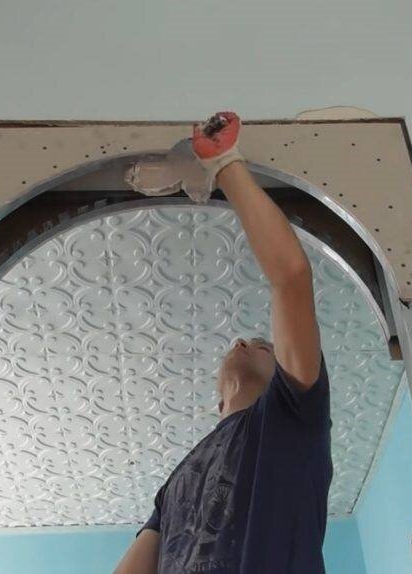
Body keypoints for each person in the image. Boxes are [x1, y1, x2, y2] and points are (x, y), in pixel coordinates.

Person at [114, 112, 331, 574]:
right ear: (216, 399)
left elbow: (291, 277)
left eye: (264, 345)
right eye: (250, 340)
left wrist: (224, 163)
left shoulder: (293, 415)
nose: (244, 340)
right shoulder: (175, 483)